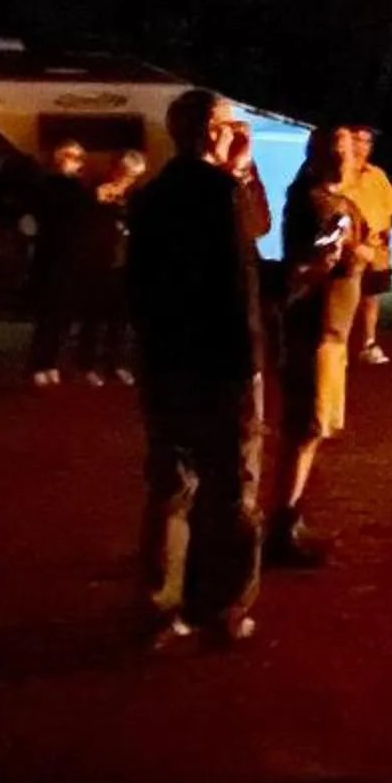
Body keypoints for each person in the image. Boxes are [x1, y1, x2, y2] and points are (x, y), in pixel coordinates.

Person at [125, 90, 268, 648]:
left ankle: (161, 604)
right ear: (213, 130)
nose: (237, 131)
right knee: (232, 488)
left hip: (165, 360)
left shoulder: (152, 195)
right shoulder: (221, 195)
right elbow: (241, 271)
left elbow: (138, 287)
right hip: (222, 363)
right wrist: (248, 363)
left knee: (171, 483)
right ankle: (225, 606)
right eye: (231, 123)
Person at [269, 125, 368, 566]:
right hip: (315, 331)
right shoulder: (317, 202)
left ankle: (288, 517)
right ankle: (282, 526)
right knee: (305, 427)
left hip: (331, 332)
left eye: (352, 150)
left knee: (311, 430)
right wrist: (347, 255)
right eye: (340, 150)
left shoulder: (335, 202)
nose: (349, 158)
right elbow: (318, 259)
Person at [67, 149, 143, 386]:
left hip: (123, 263)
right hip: (99, 263)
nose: (129, 180)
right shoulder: (96, 192)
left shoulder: (133, 197)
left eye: (134, 176)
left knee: (119, 319)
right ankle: (85, 364)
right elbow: (88, 224)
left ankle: (115, 364)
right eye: (127, 174)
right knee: (94, 317)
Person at [26, 141, 96, 386]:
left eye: (80, 158)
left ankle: (51, 361)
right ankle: (40, 363)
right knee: (50, 314)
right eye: (73, 157)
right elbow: (47, 218)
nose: (78, 162)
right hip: (53, 257)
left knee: (63, 315)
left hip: (71, 258)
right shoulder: (49, 186)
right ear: (60, 158)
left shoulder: (78, 187)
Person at [347, 129, 392, 366]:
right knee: (347, 297)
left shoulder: (377, 174)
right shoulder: (341, 174)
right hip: (351, 245)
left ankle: (368, 343)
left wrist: (384, 242)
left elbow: (389, 209)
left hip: (376, 243)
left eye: (367, 141)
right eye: (358, 140)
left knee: (372, 297)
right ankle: (340, 345)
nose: (363, 146)